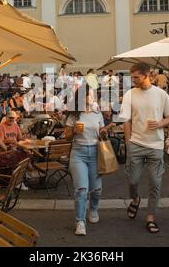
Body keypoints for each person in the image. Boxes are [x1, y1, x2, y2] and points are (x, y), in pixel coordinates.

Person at [119, 62, 169, 234]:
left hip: (156, 146)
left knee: (155, 183)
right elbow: (126, 120)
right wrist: (128, 143)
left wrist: (160, 123)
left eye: (135, 77)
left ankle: (150, 217)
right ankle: (135, 199)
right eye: (132, 77)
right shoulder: (129, 94)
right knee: (132, 180)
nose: (133, 80)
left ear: (146, 75)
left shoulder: (161, 94)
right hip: (135, 144)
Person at [64, 84, 108, 236]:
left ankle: (94, 209)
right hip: (78, 153)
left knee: (96, 189)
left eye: (93, 94)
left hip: (96, 153)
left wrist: (103, 132)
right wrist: (74, 131)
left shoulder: (97, 113)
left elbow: (103, 133)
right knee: (81, 189)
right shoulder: (74, 115)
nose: (93, 97)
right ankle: (80, 221)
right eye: (90, 94)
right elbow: (67, 136)